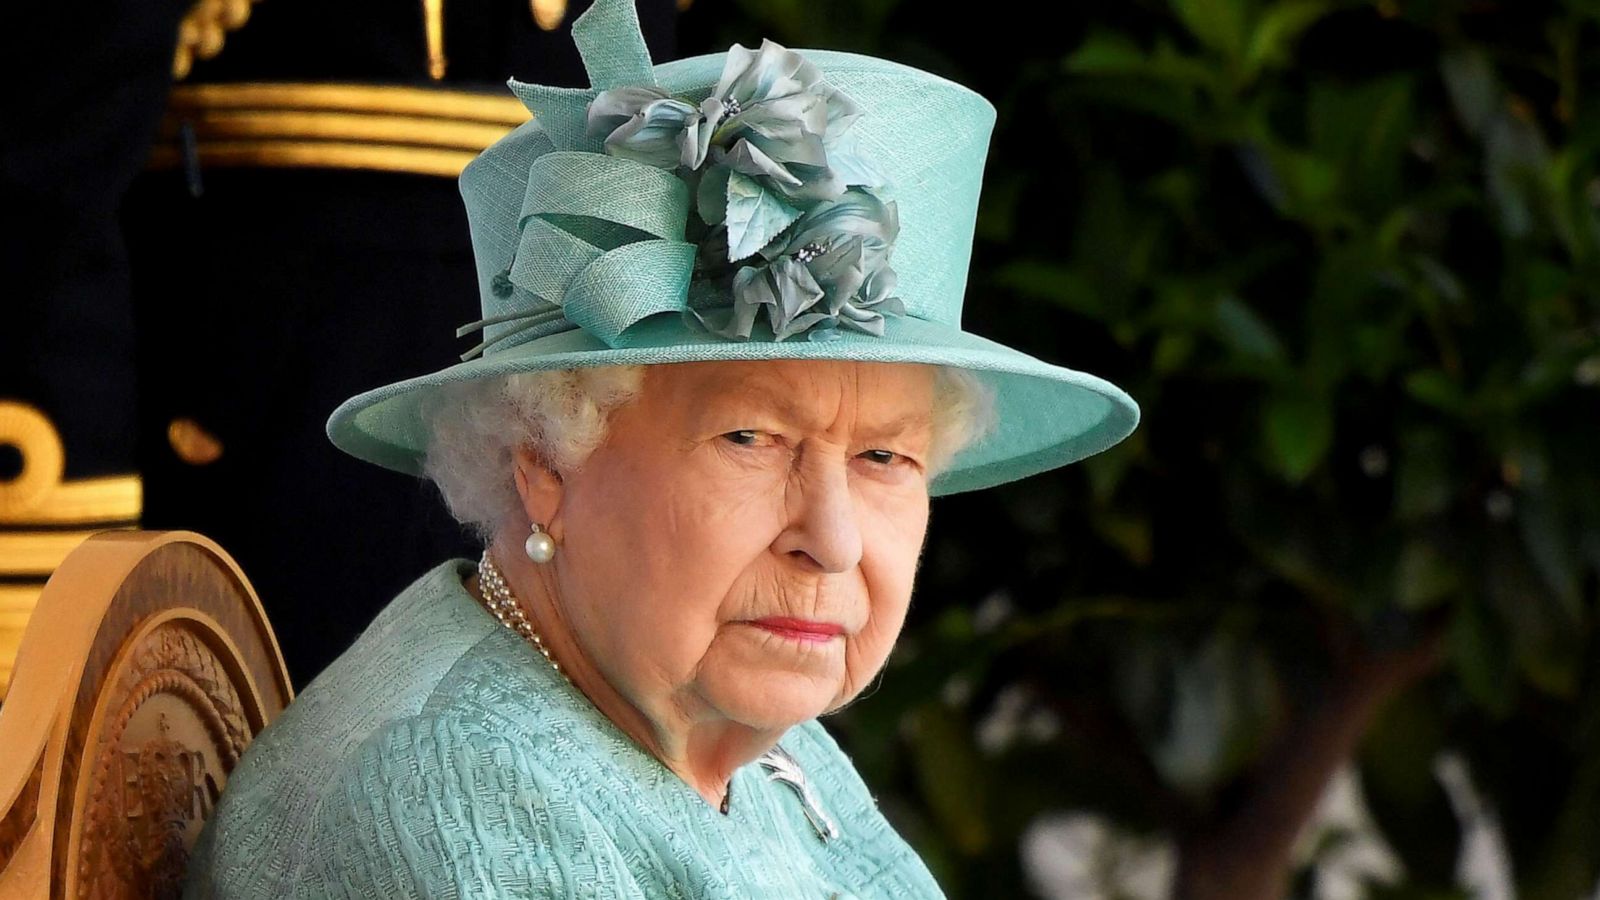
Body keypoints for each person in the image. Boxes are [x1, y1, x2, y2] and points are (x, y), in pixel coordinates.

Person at [182, 0, 1140, 895]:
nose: (835, 542)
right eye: (751, 439)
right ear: (544, 462)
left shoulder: (758, 739)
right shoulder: (452, 790)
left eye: (884, 458)